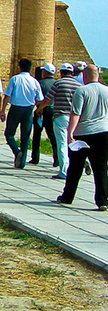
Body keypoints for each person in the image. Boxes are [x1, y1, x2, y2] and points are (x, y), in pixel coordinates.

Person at [58, 64, 108, 211]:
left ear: (85, 76)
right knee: (100, 168)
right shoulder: (106, 91)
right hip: (103, 132)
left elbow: (75, 113)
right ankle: (103, 200)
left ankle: (68, 196)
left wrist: (70, 133)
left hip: (83, 133)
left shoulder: (81, 91)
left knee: (75, 167)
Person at [0, 58, 47, 169]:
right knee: (25, 136)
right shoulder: (34, 81)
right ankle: (22, 162)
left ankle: (16, 152)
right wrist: (37, 107)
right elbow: (39, 99)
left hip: (15, 108)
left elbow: (7, 96)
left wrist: (2, 110)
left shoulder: (15, 79)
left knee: (9, 134)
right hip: (28, 110)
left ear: (19, 67)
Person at [47, 63, 80, 180]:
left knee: (61, 143)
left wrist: (40, 108)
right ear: (72, 73)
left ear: (61, 72)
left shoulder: (58, 83)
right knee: (73, 142)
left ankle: (63, 170)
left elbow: (48, 99)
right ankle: (81, 162)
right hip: (74, 118)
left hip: (60, 116)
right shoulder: (78, 85)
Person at [30, 62, 57, 165]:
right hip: (53, 110)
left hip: (41, 111)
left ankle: (35, 157)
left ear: (45, 72)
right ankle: (57, 158)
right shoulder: (56, 83)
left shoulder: (40, 83)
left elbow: (37, 98)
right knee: (52, 135)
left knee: (37, 135)